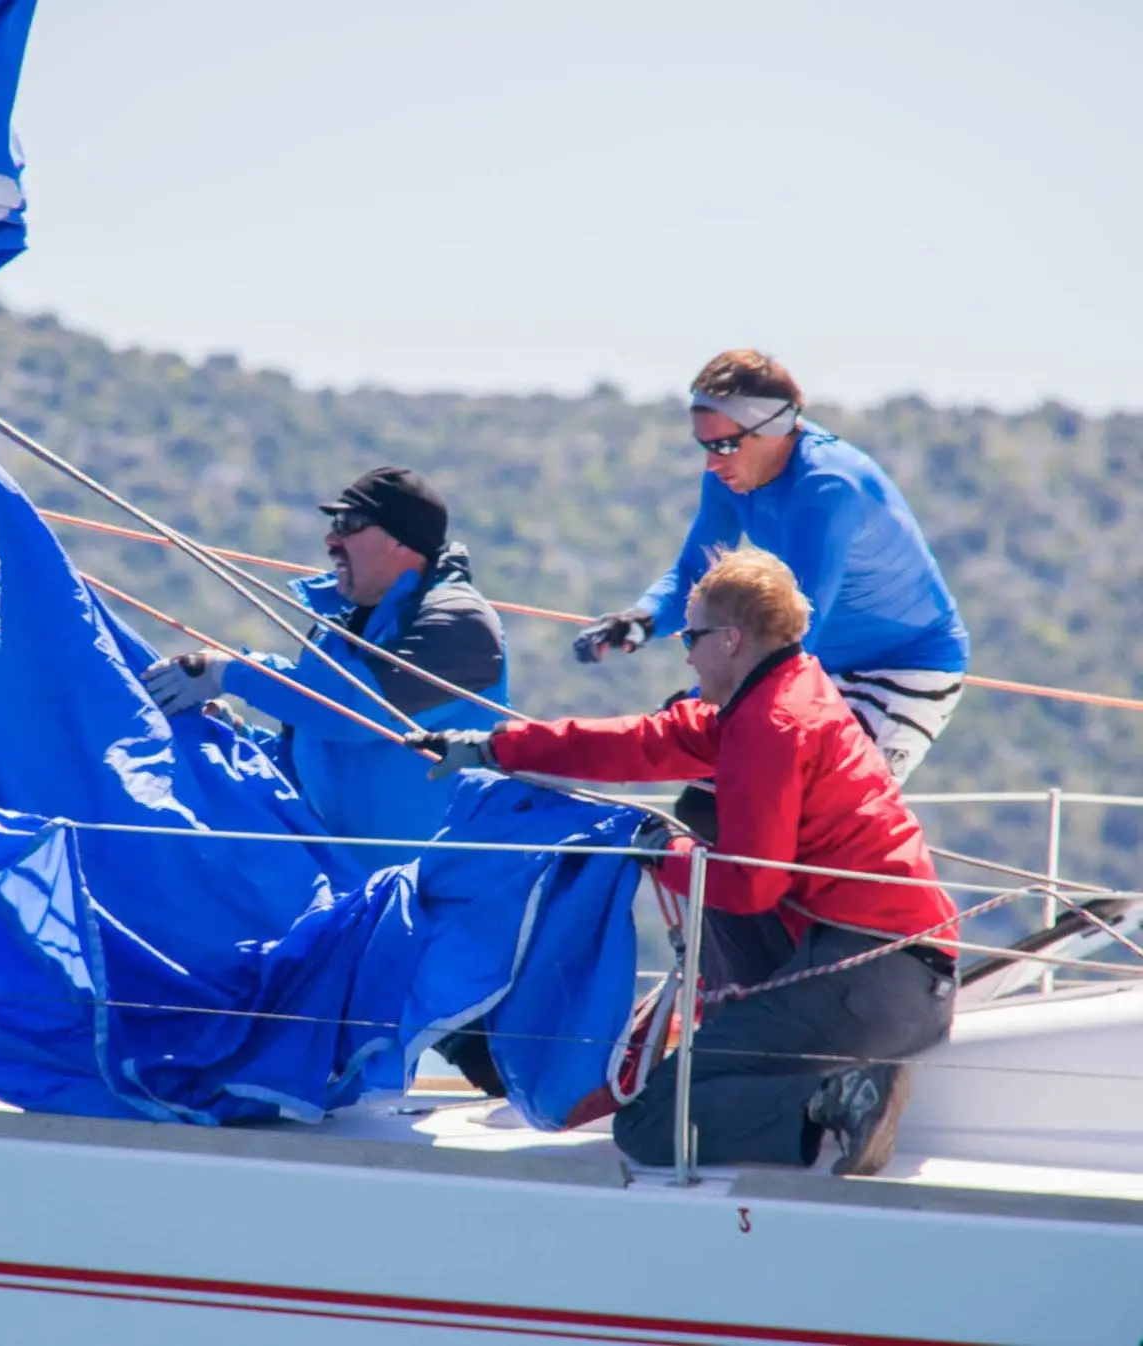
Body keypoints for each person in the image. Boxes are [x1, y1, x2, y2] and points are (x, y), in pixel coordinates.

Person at [409, 548, 957, 1176]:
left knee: (648, 1123)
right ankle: (811, 1075)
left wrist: (663, 852)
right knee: (694, 1065)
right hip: (899, 972)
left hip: (869, 978)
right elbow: (643, 742)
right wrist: (495, 747)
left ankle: (841, 1096)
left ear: (730, 640)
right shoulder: (784, 692)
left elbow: (749, 887)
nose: (687, 655)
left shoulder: (771, 724)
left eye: (691, 637)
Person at [574, 349, 968, 790]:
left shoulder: (827, 487)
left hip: (898, 670)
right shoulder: (729, 474)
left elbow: (795, 630)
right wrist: (639, 620)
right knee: (707, 801)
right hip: (811, 662)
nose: (712, 462)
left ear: (773, 430)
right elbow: (695, 574)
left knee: (815, 807)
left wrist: (693, 709)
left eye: (725, 445)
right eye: (705, 446)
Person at [141, 465, 507, 871]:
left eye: (349, 523)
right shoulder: (338, 630)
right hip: (348, 890)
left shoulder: (459, 623)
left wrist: (229, 671)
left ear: (402, 540)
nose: (331, 539)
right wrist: (239, 737)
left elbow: (353, 710)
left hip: (443, 894)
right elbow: (308, 761)